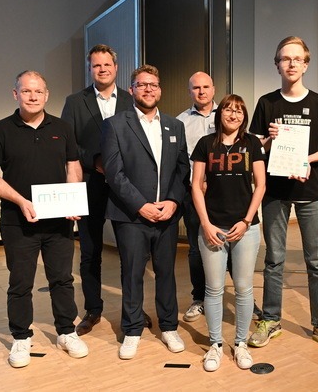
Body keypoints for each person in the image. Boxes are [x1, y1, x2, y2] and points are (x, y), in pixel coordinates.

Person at [0, 71, 89, 368]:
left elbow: (73, 165)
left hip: (59, 223)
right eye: (26, 91)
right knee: (20, 282)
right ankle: (21, 338)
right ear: (15, 94)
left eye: (38, 91)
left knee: (63, 279)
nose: (32, 96)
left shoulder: (63, 128)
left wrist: (74, 198)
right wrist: (21, 201)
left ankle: (66, 331)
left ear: (46, 94)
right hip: (18, 222)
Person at [247, 36, 318, 353]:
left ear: (306, 63)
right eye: (284, 59)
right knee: (274, 259)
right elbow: (253, 149)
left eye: (297, 59)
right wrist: (268, 139)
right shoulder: (266, 102)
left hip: (311, 191)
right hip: (275, 192)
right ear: (277, 64)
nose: (291, 64)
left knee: (315, 262)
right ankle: (271, 320)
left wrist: (307, 160)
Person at [101, 64, 190, 360]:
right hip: (131, 216)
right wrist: (141, 205)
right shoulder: (115, 125)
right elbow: (115, 174)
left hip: (166, 214)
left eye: (153, 84)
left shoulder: (174, 126)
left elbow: (182, 170)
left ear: (160, 89)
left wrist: (174, 202)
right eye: (142, 85)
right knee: (132, 274)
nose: (148, 89)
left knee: (166, 273)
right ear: (132, 90)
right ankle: (132, 329)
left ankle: (168, 326)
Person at [60, 44, 147, 335]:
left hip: (126, 187)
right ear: (90, 69)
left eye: (107, 64)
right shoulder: (75, 101)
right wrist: (95, 161)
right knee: (89, 253)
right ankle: (93, 309)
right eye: (96, 65)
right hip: (90, 185)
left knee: (131, 253)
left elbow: (140, 140)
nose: (103, 69)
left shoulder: (131, 98)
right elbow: (67, 144)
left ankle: (133, 309)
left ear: (116, 67)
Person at [191, 94, 266, 371]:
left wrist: (247, 221)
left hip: (246, 229)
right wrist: (206, 224)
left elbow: (260, 185)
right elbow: (196, 185)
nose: (233, 115)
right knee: (213, 289)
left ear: (244, 116)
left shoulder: (252, 144)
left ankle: (242, 343)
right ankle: (215, 345)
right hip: (213, 228)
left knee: (244, 288)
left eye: (238, 111)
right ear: (219, 113)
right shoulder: (204, 145)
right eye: (228, 110)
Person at [176, 71, 217, 322]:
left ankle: (243, 298)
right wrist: (197, 183)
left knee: (232, 246)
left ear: (213, 89)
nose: (201, 91)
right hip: (194, 194)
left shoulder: (228, 116)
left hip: (224, 195)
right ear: (190, 91)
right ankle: (199, 297)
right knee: (195, 248)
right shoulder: (180, 121)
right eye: (196, 88)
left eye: (205, 87)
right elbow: (181, 161)